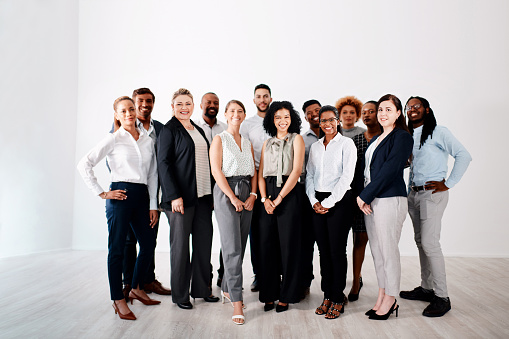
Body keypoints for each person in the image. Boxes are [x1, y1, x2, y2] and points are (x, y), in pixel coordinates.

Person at [77, 96, 160, 321]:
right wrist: (102, 192)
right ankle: (118, 298)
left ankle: (135, 287)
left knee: (148, 243)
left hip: (142, 196)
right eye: (123, 111)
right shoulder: (113, 139)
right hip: (120, 195)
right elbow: (84, 163)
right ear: (116, 114)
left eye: (131, 109)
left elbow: (152, 175)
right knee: (117, 250)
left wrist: (153, 205)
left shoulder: (147, 140)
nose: (129, 114)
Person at [400, 96, 472, 317]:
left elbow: (464, 155)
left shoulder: (439, 131)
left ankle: (442, 297)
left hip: (433, 193)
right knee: (421, 242)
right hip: (413, 193)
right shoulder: (409, 135)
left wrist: (448, 183)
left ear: (427, 110)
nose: (412, 110)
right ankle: (427, 288)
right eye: (409, 107)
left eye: (417, 106)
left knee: (431, 243)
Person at [157, 88, 219, 310]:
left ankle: (202, 290)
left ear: (193, 106)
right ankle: (181, 295)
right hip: (181, 200)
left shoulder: (198, 129)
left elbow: (207, 163)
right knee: (181, 248)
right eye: (179, 104)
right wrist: (173, 196)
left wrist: (211, 193)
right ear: (172, 107)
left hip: (202, 198)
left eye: (188, 103)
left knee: (203, 245)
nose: (184, 107)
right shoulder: (168, 130)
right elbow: (163, 164)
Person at [357, 94, 413, 320]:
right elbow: (367, 172)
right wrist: (365, 197)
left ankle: (391, 297)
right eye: (380, 109)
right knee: (378, 252)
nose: (382, 113)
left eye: (389, 109)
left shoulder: (402, 137)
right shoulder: (377, 138)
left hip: (390, 199)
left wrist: (365, 195)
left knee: (388, 251)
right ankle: (382, 294)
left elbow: (390, 169)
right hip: (371, 201)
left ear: (398, 113)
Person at [306, 105, 357, 319]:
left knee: (337, 251)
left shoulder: (347, 144)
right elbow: (309, 175)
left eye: (330, 119)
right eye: (322, 120)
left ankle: (338, 297)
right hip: (317, 201)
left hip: (340, 202)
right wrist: (313, 201)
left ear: (337, 120)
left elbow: (347, 178)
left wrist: (329, 202)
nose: (326, 124)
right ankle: (327, 295)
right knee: (323, 252)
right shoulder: (316, 147)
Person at [120, 88, 171, 300]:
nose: (144, 105)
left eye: (149, 101)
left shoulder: (160, 128)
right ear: (133, 103)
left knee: (150, 237)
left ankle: (147, 279)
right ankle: (129, 283)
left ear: (153, 103)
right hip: (132, 190)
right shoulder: (125, 126)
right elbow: (113, 158)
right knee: (129, 241)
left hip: (154, 191)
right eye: (140, 101)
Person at [210, 100, 257, 325]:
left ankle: (228, 290)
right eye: (232, 111)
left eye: (239, 111)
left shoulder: (247, 142)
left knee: (241, 244)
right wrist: (232, 197)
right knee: (232, 248)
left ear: (244, 115)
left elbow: (254, 170)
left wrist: (253, 195)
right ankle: (237, 302)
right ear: (226, 115)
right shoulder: (219, 139)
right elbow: (216, 171)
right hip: (226, 191)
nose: (236, 114)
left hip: (246, 190)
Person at [257, 101, 305, 313]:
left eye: (286, 117)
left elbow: (296, 171)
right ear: (271, 120)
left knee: (288, 246)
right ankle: (269, 294)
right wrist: (265, 199)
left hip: (289, 193)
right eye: (277, 117)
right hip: (267, 194)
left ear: (292, 119)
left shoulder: (297, 139)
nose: (282, 121)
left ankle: (287, 295)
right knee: (267, 246)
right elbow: (260, 174)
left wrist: (279, 199)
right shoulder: (267, 143)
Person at [239, 84, 272, 292]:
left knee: (272, 231)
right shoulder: (247, 124)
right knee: (255, 232)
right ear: (253, 100)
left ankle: (274, 273)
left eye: (265, 96)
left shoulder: (278, 119)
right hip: (253, 179)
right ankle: (259, 275)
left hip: (274, 180)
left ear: (270, 98)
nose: (262, 99)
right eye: (258, 96)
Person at [347, 100, 381, 302]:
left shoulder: (386, 138)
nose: (367, 115)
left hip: (381, 196)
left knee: (379, 243)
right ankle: (355, 281)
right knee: (359, 240)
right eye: (365, 112)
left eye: (372, 111)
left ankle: (384, 287)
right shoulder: (356, 140)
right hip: (359, 198)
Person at [194, 92, 227, 288]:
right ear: (201, 105)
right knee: (203, 236)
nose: (212, 105)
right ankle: (204, 278)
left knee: (227, 234)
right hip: (202, 190)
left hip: (223, 188)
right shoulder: (194, 127)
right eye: (208, 102)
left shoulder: (225, 128)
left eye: (216, 102)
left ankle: (224, 275)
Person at [299, 99, 321, 297]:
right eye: (309, 112)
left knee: (329, 245)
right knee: (305, 243)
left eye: (317, 110)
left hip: (331, 197)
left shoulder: (337, 137)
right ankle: (305, 283)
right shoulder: (301, 139)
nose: (314, 114)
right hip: (306, 196)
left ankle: (332, 288)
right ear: (305, 116)